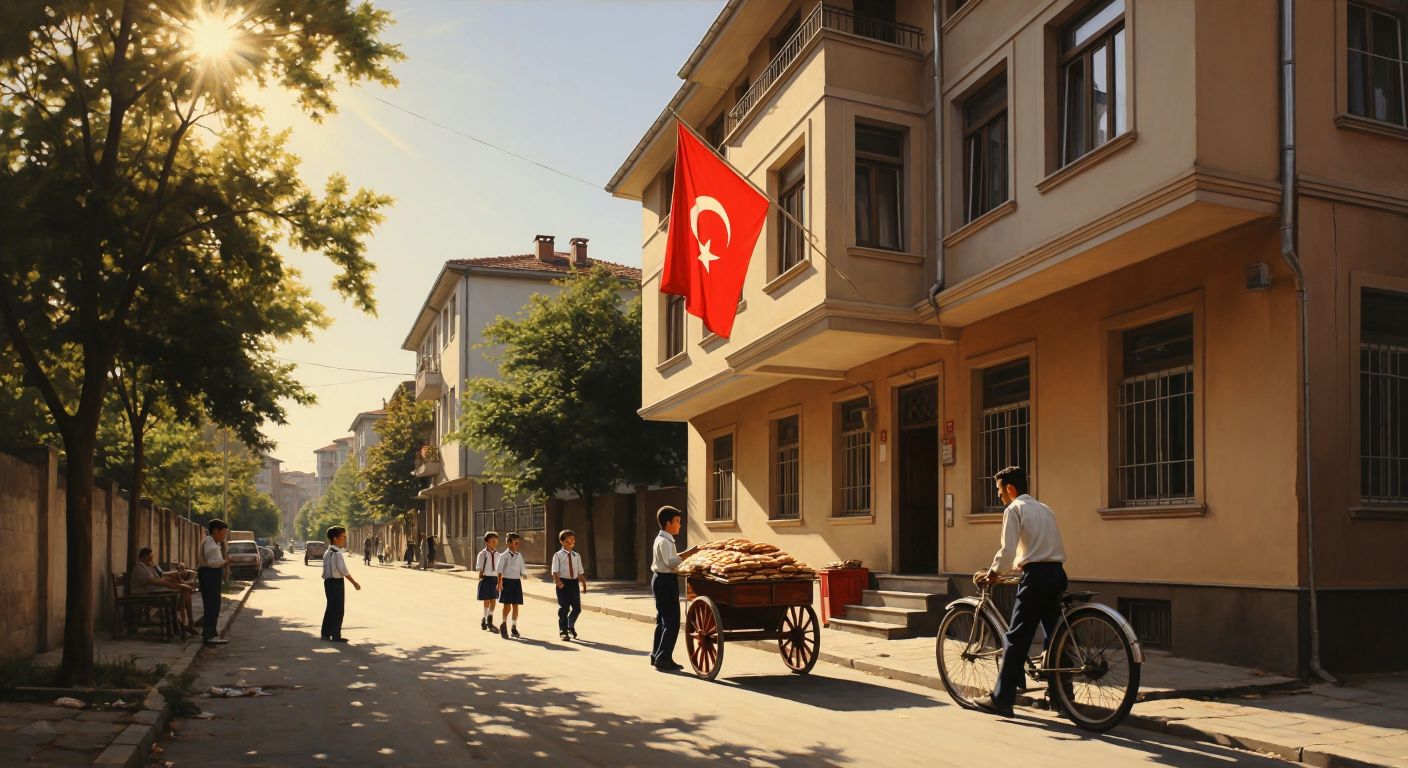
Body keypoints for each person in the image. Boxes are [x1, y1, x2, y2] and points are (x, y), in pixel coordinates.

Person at [972, 466, 1068, 718]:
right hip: (1057, 574)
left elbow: (1007, 550)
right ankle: (1063, 697)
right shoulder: (1046, 509)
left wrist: (992, 574)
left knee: (1016, 638)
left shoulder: (1014, 509)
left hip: (1036, 578)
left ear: (1011, 489)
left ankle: (1001, 699)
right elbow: (1044, 547)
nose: (999, 496)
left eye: (999, 490)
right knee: (1055, 636)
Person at [649, 506, 699, 672]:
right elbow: (670, 562)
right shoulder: (664, 541)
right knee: (672, 622)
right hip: (665, 581)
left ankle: (656, 655)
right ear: (667, 523)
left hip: (661, 580)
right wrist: (690, 553)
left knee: (663, 621)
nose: (680, 525)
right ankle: (663, 658)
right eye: (677, 521)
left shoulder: (665, 539)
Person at [131, 547, 196, 636]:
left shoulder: (148, 567)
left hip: (152, 591)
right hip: (145, 595)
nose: (152, 558)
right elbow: (156, 581)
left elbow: (159, 578)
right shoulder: (140, 569)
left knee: (184, 592)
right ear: (144, 557)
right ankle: (184, 624)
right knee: (183, 591)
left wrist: (173, 582)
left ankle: (185, 624)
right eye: (150, 556)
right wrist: (175, 586)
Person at [321, 525, 362, 643]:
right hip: (336, 583)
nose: (345, 540)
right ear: (335, 538)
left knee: (330, 607)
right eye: (343, 537)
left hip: (328, 582)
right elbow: (343, 571)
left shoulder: (328, 552)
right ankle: (336, 635)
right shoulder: (336, 554)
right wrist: (354, 583)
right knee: (338, 609)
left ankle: (325, 633)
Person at [197, 519, 230, 645]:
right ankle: (209, 635)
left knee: (214, 605)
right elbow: (212, 563)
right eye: (224, 532)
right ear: (216, 531)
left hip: (212, 574)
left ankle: (211, 633)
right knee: (212, 605)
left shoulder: (215, 543)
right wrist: (225, 561)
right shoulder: (209, 543)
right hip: (209, 574)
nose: (224, 535)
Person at [552, 529, 587, 641]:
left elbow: (580, 572)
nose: (571, 543)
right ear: (562, 542)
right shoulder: (557, 555)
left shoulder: (577, 556)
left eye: (573, 541)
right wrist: (558, 581)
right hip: (562, 583)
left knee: (577, 608)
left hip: (573, 583)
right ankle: (563, 630)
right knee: (564, 608)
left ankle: (569, 625)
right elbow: (555, 571)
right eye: (568, 541)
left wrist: (584, 584)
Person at [495, 532, 525, 639]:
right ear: (508, 543)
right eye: (514, 540)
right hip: (507, 581)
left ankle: (514, 627)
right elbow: (499, 571)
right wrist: (499, 583)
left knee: (516, 606)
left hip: (516, 582)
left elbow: (522, 567)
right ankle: (503, 624)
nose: (517, 542)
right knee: (507, 606)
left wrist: (523, 574)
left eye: (518, 540)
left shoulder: (519, 555)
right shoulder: (504, 556)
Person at [475, 531, 501, 632]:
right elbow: (478, 567)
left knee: (493, 600)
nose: (495, 543)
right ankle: (485, 619)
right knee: (486, 600)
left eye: (496, 541)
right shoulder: (482, 554)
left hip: (495, 579)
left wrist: (500, 581)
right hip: (486, 578)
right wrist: (481, 572)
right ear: (487, 542)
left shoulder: (499, 555)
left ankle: (489, 619)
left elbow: (500, 570)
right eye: (492, 541)